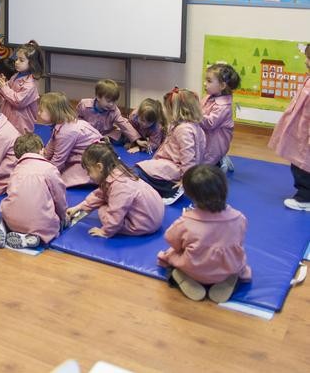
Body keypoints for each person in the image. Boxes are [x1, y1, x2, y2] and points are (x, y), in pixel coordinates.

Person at [157, 165, 251, 302]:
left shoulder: (185, 222)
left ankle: (183, 278)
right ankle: (228, 280)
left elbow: (171, 240)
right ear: (224, 189)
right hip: (227, 268)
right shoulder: (239, 218)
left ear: (190, 194)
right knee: (235, 258)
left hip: (193, 269)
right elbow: (239, 242)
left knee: (171, 256)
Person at [66, 143, 164, 238]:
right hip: (154, 213)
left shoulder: (120, 187)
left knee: (103, 210)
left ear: (99, 167)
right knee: (105, 200)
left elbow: (115, 215)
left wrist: (105, 232)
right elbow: (99, 195)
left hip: (146, 223)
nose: (88, 175)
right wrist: (78, 207)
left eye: (89, 171)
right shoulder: (117, 172)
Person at [0, 133, 68, 249]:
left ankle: (1, 226)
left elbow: (11, 192)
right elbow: (59, 196)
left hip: (12, 220)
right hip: (39, 224)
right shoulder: (49, 169)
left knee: (9, 210)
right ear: (42, 150)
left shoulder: (17, 170)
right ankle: (35, 237)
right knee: (52, 226)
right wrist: (62, 215)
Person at [135, 88, 206, 206]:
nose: (165, 111)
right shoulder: (192, 127)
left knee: (136, 172)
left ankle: (171, 189)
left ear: (175, 110)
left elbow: (188, 157)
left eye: (167, 109)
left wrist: (185, 181)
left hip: (174, 169)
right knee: (139, 173)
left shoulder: (184, 130)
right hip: (173, 166)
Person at [268, 43, 310, 211]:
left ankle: (305, 199)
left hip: (306, 134)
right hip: (301, 130)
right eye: (307, 57)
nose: (306, 61)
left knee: (302, 165)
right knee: (299, 161)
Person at [38, 91, 101, 187]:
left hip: (94, 160)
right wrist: (43, 157)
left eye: (41, 110)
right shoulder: (63, 123)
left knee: (63, 179)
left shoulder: (67, 132)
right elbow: (53, 142)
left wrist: (44, 173)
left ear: (53, 112)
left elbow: (59, 159)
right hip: (87, 152)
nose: (38, 113)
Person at [0, 40, 43, 134]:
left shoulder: (30, 84)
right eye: (17, 59)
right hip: (9, 116)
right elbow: (8, 91)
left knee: (19, 143)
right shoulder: (16, 75)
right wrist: (3, 84)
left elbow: (18, 101)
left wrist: (4, 88)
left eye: (21, 60)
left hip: (21, 123)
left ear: (32, 63)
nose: (16, 62)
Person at [200, 63, 241, 172]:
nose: (205, 83)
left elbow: (210, 123)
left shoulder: (224, 107)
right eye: (206, 80)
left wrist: (195, 114)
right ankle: (221, 159)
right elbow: (201, 108)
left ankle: (220, 163)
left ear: (222, 86)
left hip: (216, 142)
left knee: (203, 169)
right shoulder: (209, 97)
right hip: (207, 138)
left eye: (209, 81)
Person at [76, 79, 140, 144]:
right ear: (98, 97)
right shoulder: (84, 104)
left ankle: (103, 140)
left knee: (120, 133)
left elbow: (124, 124)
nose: (111, 104)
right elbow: (77, 120)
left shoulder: (114, 110)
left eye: (114, 101)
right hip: (88, 134)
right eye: (108, 101)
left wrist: (137, 139)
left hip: (106, 134)